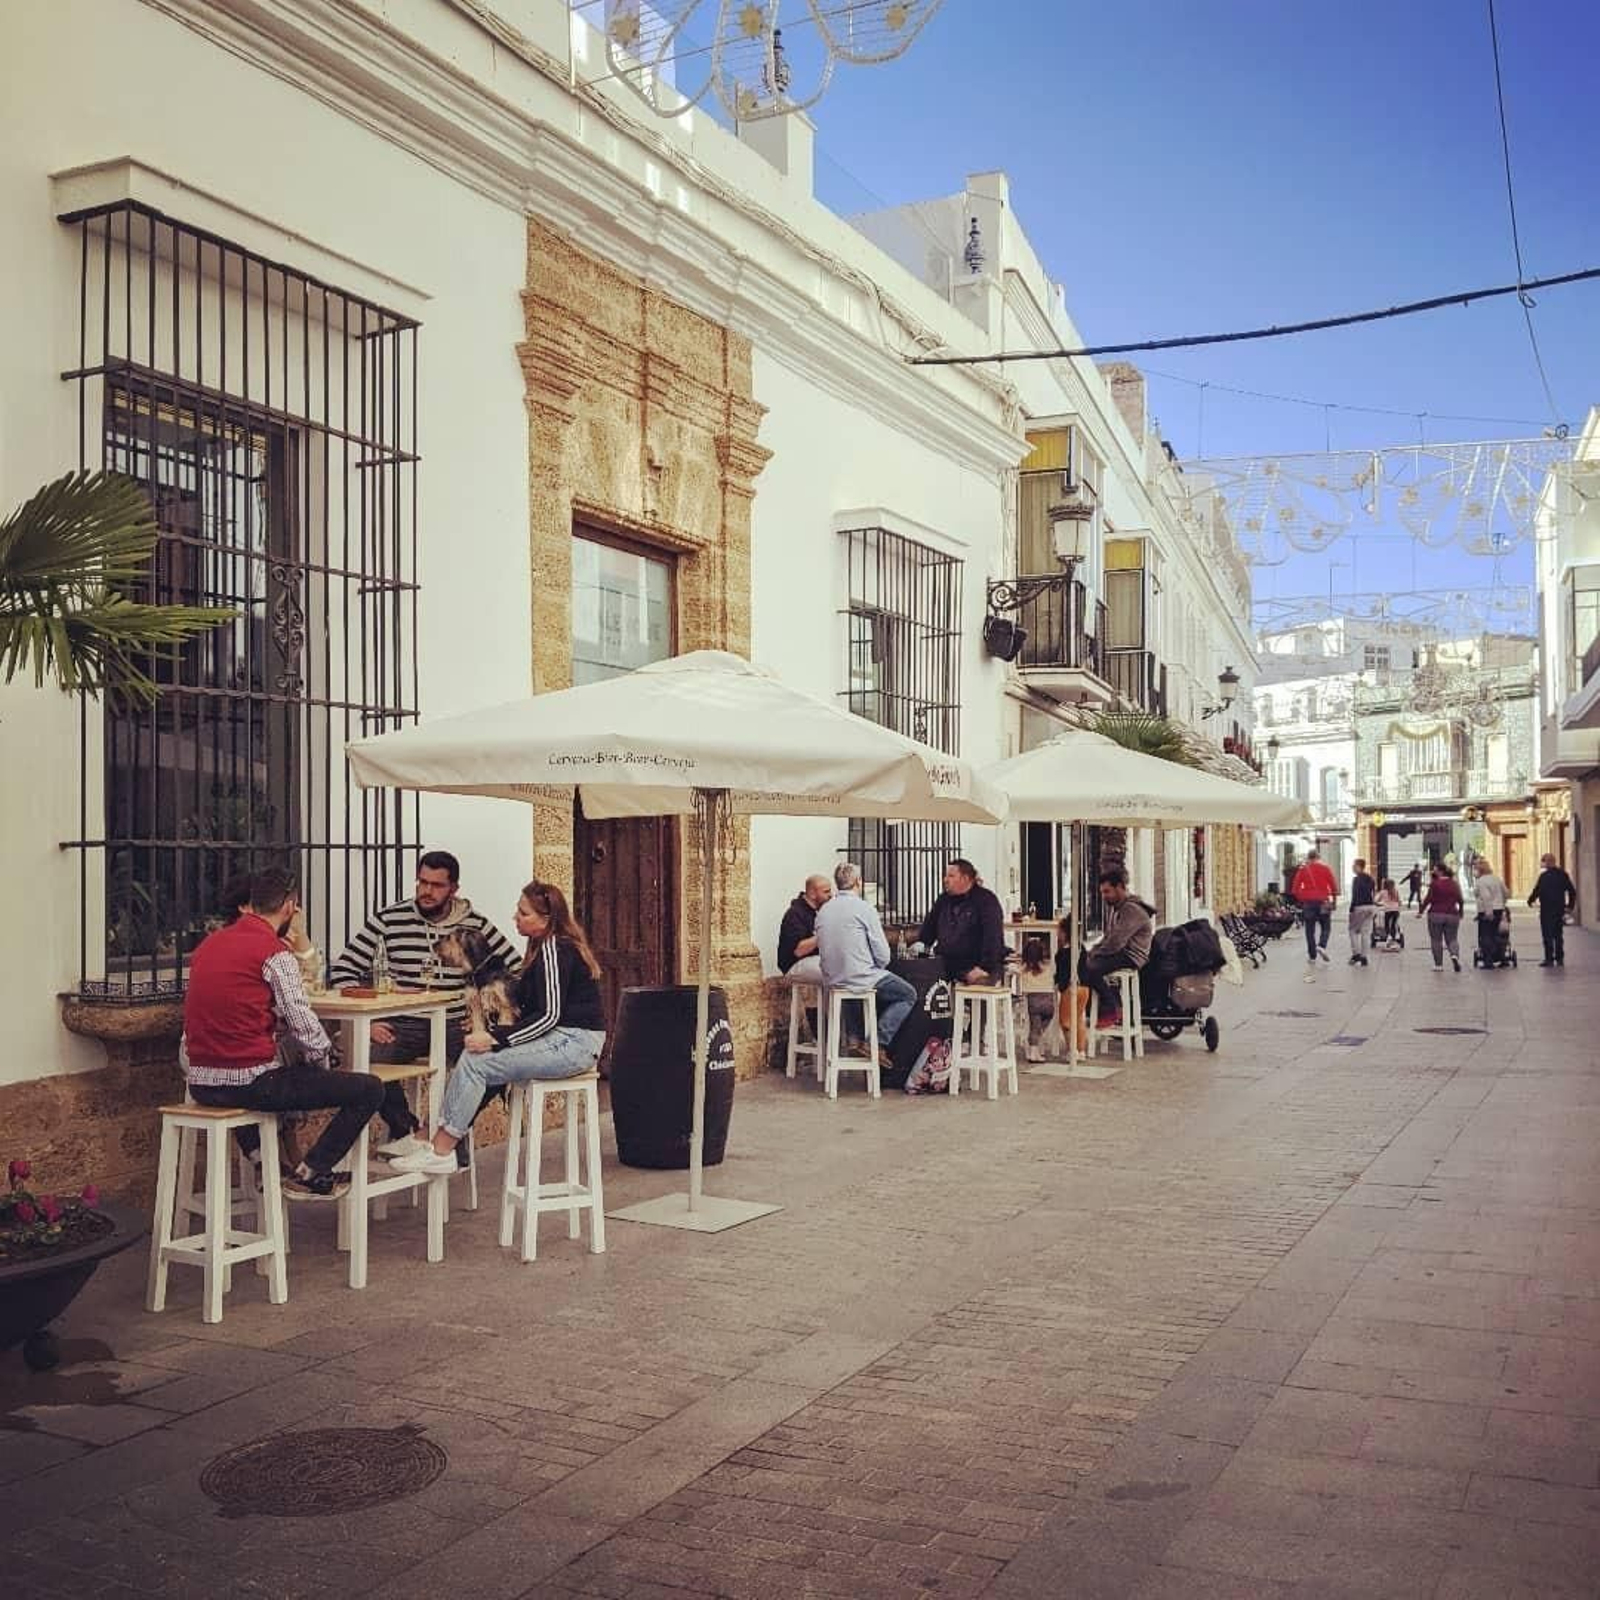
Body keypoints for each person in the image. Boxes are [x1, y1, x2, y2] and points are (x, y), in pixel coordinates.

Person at [184, 867, 386, 1201]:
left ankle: (267, 1163)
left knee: (278, 1075)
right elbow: (301, 1020)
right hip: (253, 1084)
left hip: (202, 1083)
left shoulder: (208, 945)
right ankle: (311, 1173)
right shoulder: (274, 952)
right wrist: (325, 1061)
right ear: (290, 908)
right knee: (368, 1089)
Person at [391, 881, 607, 1174]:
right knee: (474, 1059)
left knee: (478, 1064)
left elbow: (550, 1015)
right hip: (561, 1038)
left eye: (524, 913)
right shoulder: (540, 947)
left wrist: (495, 1038)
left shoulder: (556, 948)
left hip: (574, 1042)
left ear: (546, 920)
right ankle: (434, 1143)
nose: (515, 917)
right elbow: (531, 1006)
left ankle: (441, 1149)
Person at [328, 850, 517, 1158]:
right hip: (405, 1022)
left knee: (496, 1064)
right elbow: (344, 968)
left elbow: (515, 970)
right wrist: (369, 1023)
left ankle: (442, 1134)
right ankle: (408, 1131)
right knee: (361, 1061)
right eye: (422, 883)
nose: (427, 892)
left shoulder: (475, 924)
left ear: (454, 888)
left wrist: (485, 1012)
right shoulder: (390, 919)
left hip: (458, 1022)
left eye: (437, 885)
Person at [814, 862, 916, 1069]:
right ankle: (876, 1041)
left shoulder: (824, 910)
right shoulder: (864, 908)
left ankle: (854, 1037)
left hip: (833, 979)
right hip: (858, 978)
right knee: (908, 994)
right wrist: (874, 964)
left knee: (851, 981)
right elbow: (884, 955)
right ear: (858, 882)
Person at [1078, 870, 1152, 1029]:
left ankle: (1111, 1007)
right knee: (1084, 964)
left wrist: (1095, 954)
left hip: (1131, 956)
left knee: (1089, 968)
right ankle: (1110, 1006)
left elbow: (1116, 942)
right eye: (1102, 892)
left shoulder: (1131, 910)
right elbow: (1108, 938)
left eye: (1107, 891)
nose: (1104, 896)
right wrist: (1093, 951)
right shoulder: (1117, 908)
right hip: (1120, 953)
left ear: (1120, 887)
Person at [917, 858, 1008, 984]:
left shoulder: (986, 900)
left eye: (951, 876)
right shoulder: (943, 900)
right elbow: (929, 928)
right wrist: (921, 947)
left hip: (974, 965)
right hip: (945, 962)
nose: (945, 880)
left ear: (965, 879)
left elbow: (993, 936)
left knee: (980, 981)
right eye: (946, 875)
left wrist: (984, 967)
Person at [776, 875, 832, 983]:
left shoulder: (819, 912)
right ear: (812, 894)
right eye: (826, 892)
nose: (831, 895)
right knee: (834, 971)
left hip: (815, 961)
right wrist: (824, 934)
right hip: (795, 964)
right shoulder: (795, 914)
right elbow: (798, 951)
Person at [1527, 853, 1577, 967]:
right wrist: (1570, 906)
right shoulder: (1563, 875)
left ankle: (1549, 959)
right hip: (1559, 909)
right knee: (1558, 934)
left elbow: (1537, 891)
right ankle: (1559, 958)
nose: (1542, 864)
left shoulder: (1544, 877)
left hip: (1546, 910)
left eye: (1543, 861)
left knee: (1547, 935)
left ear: (1548, 862)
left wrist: (1530, 901)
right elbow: (1572, 891)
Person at [1289, 849, 1338, 964]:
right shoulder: (1325, 868)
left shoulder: (1303, 870)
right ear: (1318, 857)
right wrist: (1334, 901)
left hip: (1309, 903)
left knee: (1309, 930)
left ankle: (1312, 956)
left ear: (1308, 858)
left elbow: (1295, 889)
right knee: (1326, 926)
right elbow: (1333, 886)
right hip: (1323, 902)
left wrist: (1303, 898)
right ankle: (1322, 945)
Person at [1418, 864, 1464, 973]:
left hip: (1435, 914)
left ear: (1441, 872)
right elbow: (1460, 899)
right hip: (1452, 914)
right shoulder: (1454, 884)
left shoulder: (1435, 884)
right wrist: (1461, 911)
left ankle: (1438, 965)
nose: (1433, 872)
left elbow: (1428, 899)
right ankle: (1454, 955)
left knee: (1436, 940)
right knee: (1452, 938)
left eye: (1435, 870)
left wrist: (1421, 911)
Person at [1472, 858, 1509, 967]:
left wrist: (1489, 912)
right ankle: (1502, 957)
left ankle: (1488, 960)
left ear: (1480, 870)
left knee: (1485, 935)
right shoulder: (1497, 879)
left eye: (1475, 870)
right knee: (1497, 934)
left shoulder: (1481, 881)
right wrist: (1502, 903)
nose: (1474, 872)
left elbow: (1486, 897)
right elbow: (1507, 893)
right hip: (1499, 909)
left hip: (1487, 911)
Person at [1347, 858, 1377, 967]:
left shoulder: (1356, 879)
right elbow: (1373, 893)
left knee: (1353, 931)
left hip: (1360, 907)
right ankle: (1365, 957)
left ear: (1359, 866)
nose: (1352, 867)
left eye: (1354, 865)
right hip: (1371, 907)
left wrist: (1351, 910)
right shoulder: (1370, 878)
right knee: (1366, 933)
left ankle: (1356, 954)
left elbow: (1355, 895)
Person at [1376, 878, 1402, 948]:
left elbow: (1376, 900)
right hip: (1396, 910)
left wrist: (1377, 904)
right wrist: (1398, 905)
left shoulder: (1382, 892)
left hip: (1388, 910)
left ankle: (1388, 936)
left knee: (1386, 924)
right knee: (1394, 924)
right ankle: (1393, 939)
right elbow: (1399, 901)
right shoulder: (1395, 891)